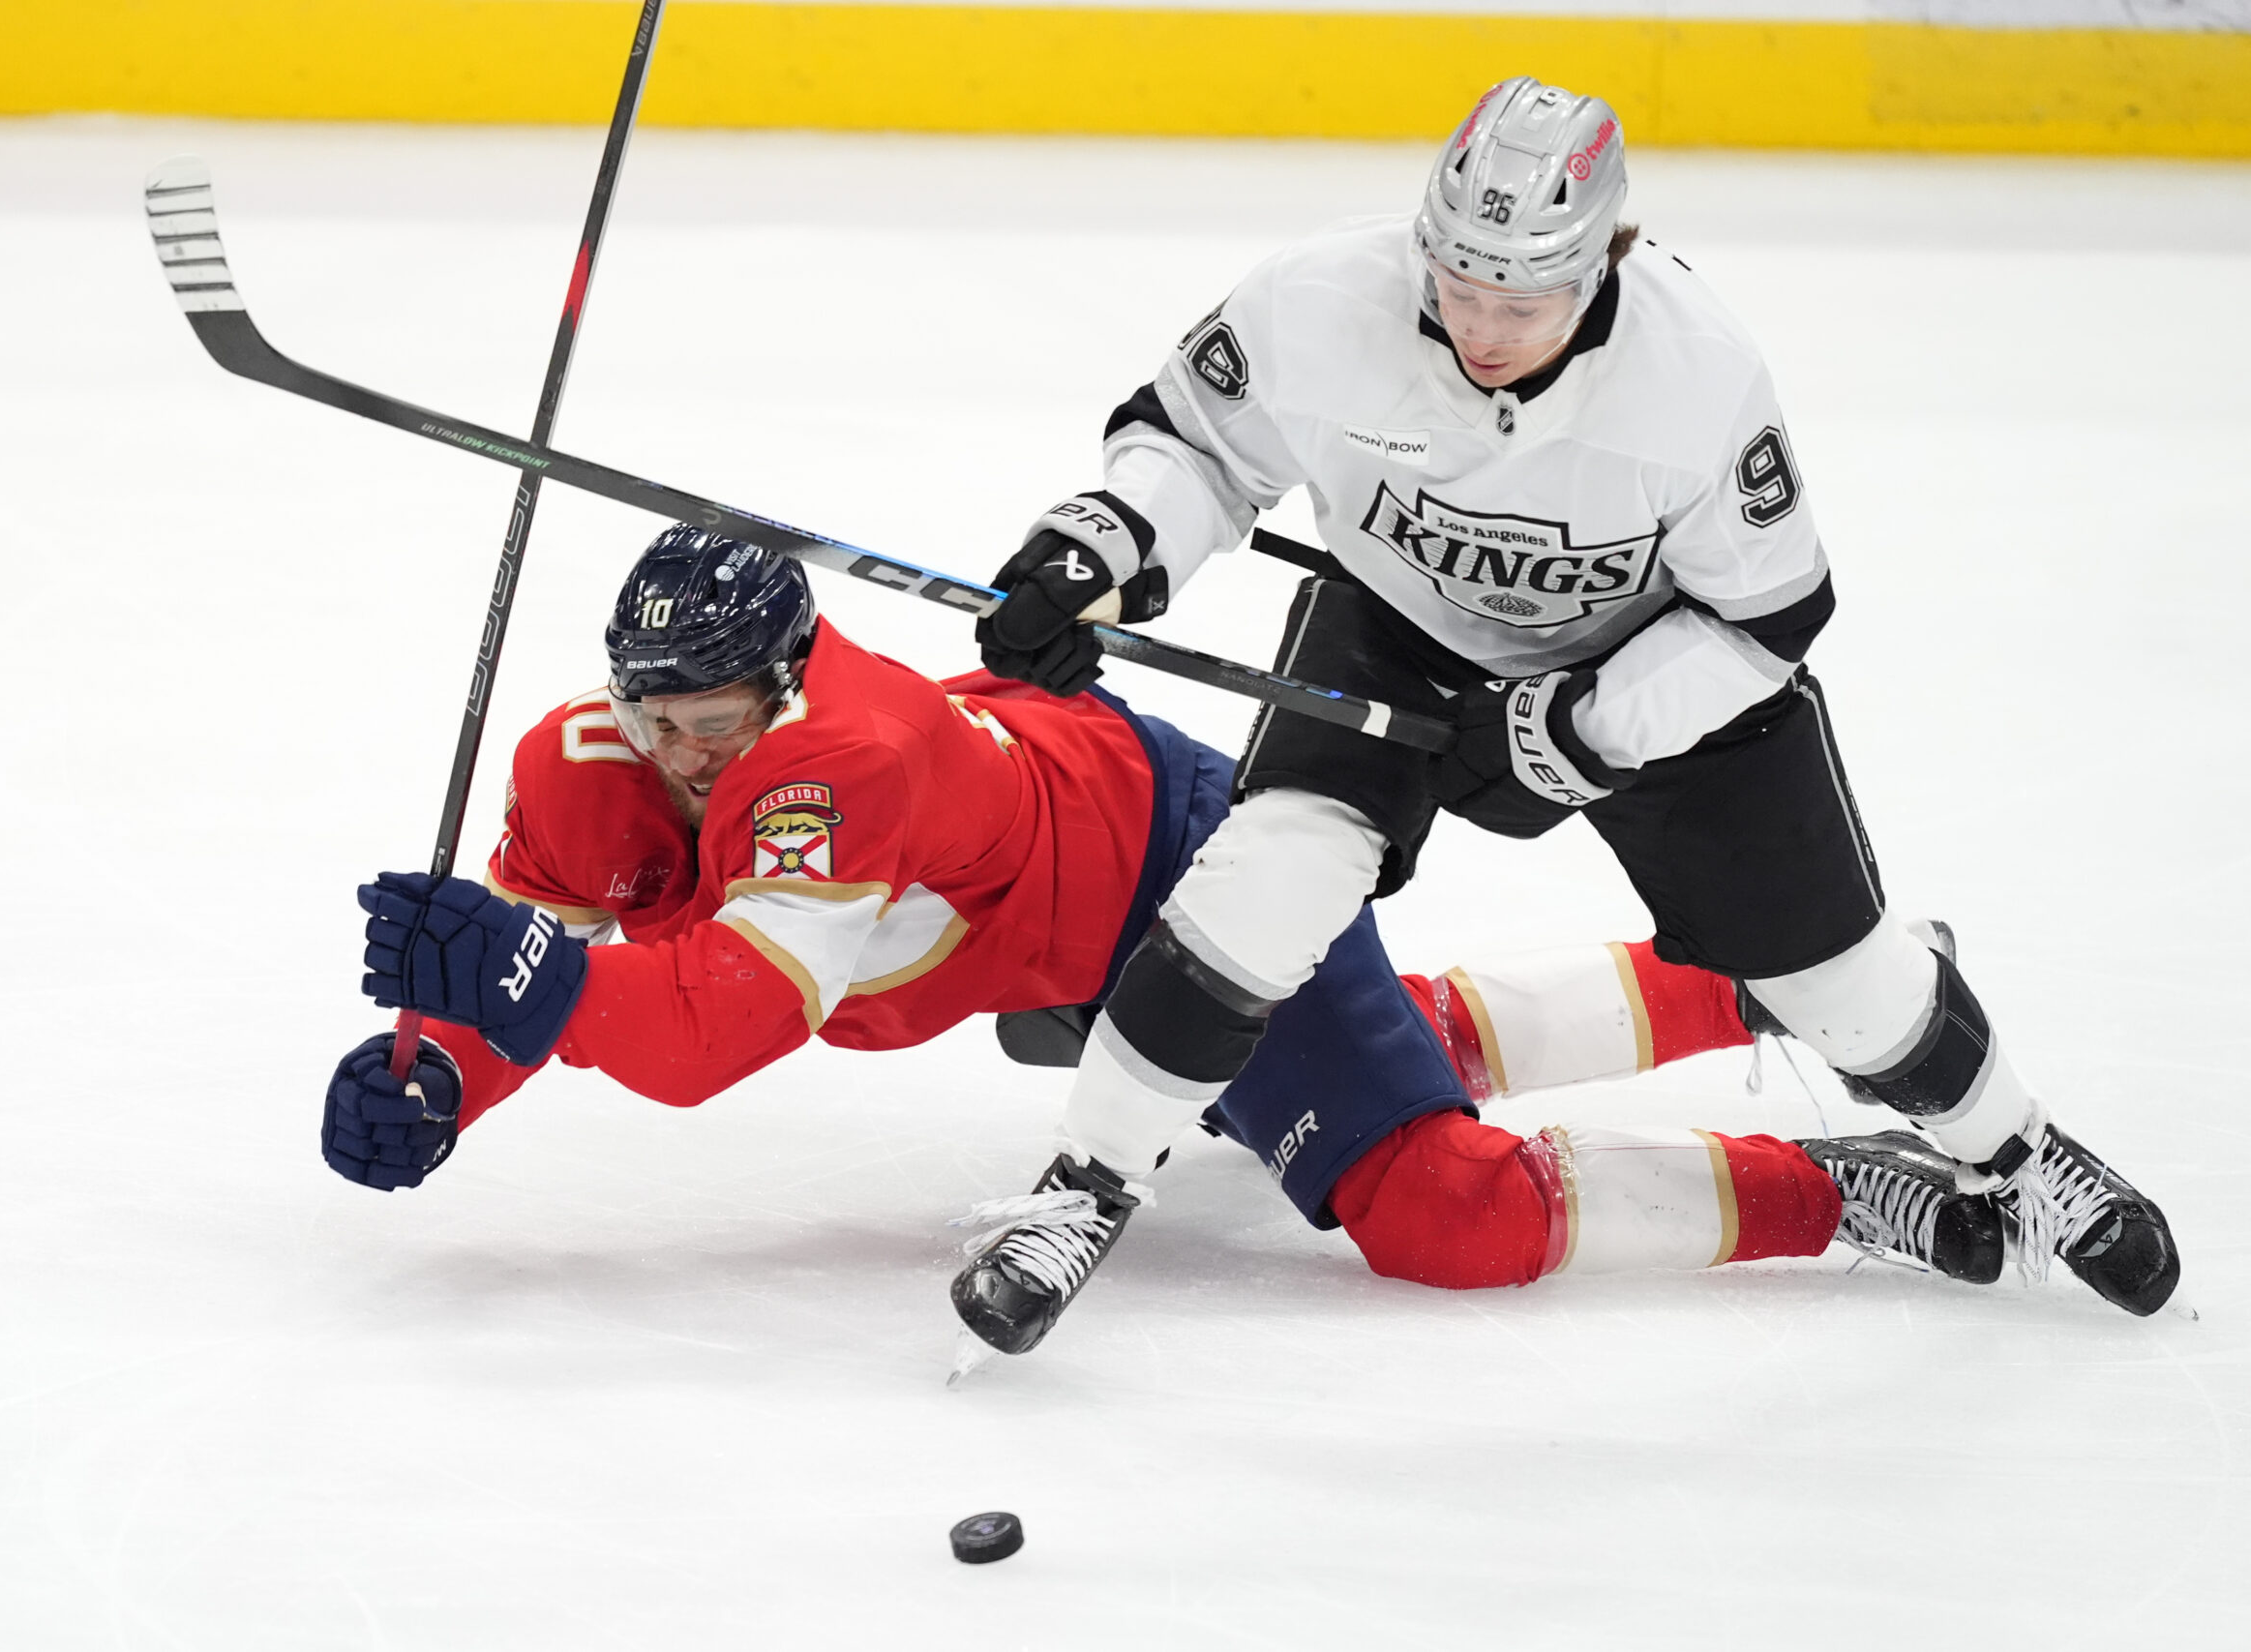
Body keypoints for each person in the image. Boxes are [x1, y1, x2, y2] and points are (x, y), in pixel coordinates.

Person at [965, 75, 2179, 1346]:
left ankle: (2019, 1154)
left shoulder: (1696, 375)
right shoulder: (1318, 299)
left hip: (1658, 662)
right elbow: (1195, 446)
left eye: (1524, 301)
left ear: (1606, 261)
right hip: (1400, 628)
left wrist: (1583, 730)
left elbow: (1766, 620)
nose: (1481, 328)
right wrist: (1103, 544)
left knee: (1844, 988)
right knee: (1260, 888)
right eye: (1458, 284)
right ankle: (1084, 1187)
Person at [332, 527, 2011, 1351]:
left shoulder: (838, 761)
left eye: (715, 724)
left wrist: (520, 986)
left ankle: (1840, 1182)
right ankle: (1752, 982)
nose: (686, 758)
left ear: (784, 685)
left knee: (1443, 1209)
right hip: (1048, 914)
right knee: (1384, 1047)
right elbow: (532, 958)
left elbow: (706, 1031)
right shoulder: (586, 760)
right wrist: (445, 1069)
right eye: (657, 720)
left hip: (1178, 866)